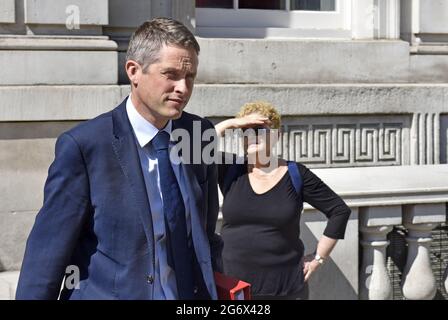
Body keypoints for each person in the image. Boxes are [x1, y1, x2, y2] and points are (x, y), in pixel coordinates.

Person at [16, 17, 223, 300]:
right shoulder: (85, 146)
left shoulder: (200, 134)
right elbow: (46, 258)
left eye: (190, 77)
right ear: (134, 71)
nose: (183, 89)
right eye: (171, 75)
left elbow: (207, 238)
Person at [215, 101, 351, 300]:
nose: (251, 136)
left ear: (276, 135)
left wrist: (317, 259)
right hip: (234, 288)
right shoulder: (230, 168)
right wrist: (231, 123)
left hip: (286, 289)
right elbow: (192, 151)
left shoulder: (296, 173)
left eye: (259, 130)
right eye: (245, 131)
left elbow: (339, 211)